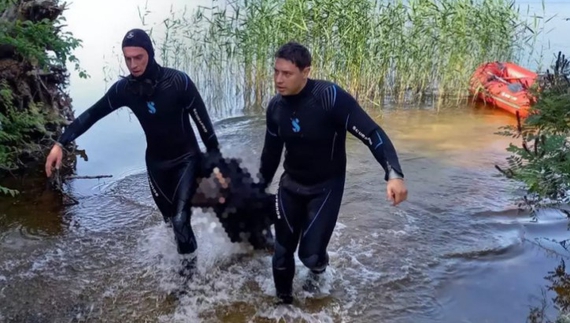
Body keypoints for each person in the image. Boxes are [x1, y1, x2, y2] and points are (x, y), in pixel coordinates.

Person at [44, 28, 222, 279]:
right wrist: (60, 143)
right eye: (128, 59)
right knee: (171, 223)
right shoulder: (125, 90)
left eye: (138, 57)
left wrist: (216, 162)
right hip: (156, 165)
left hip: (186, 159)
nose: (133, 64)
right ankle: (182, 263)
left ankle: (189, 284)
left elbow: (205, 128)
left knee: (181, 220)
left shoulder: (178, 82)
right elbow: (91, 115)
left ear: (149, 53)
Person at [257, 42, 409, 304]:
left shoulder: (329, 97)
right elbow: (271, 154)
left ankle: (317, 277)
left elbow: (372, 133)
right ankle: (283, 307)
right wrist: (259, 188)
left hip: (325, 188)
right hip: (290, 185)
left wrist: (393, 173)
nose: (279, 80)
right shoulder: (275, 108)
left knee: (310, 256)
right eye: (276, 72)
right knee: (281, 254)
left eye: (287, 74)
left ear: (306, 72)